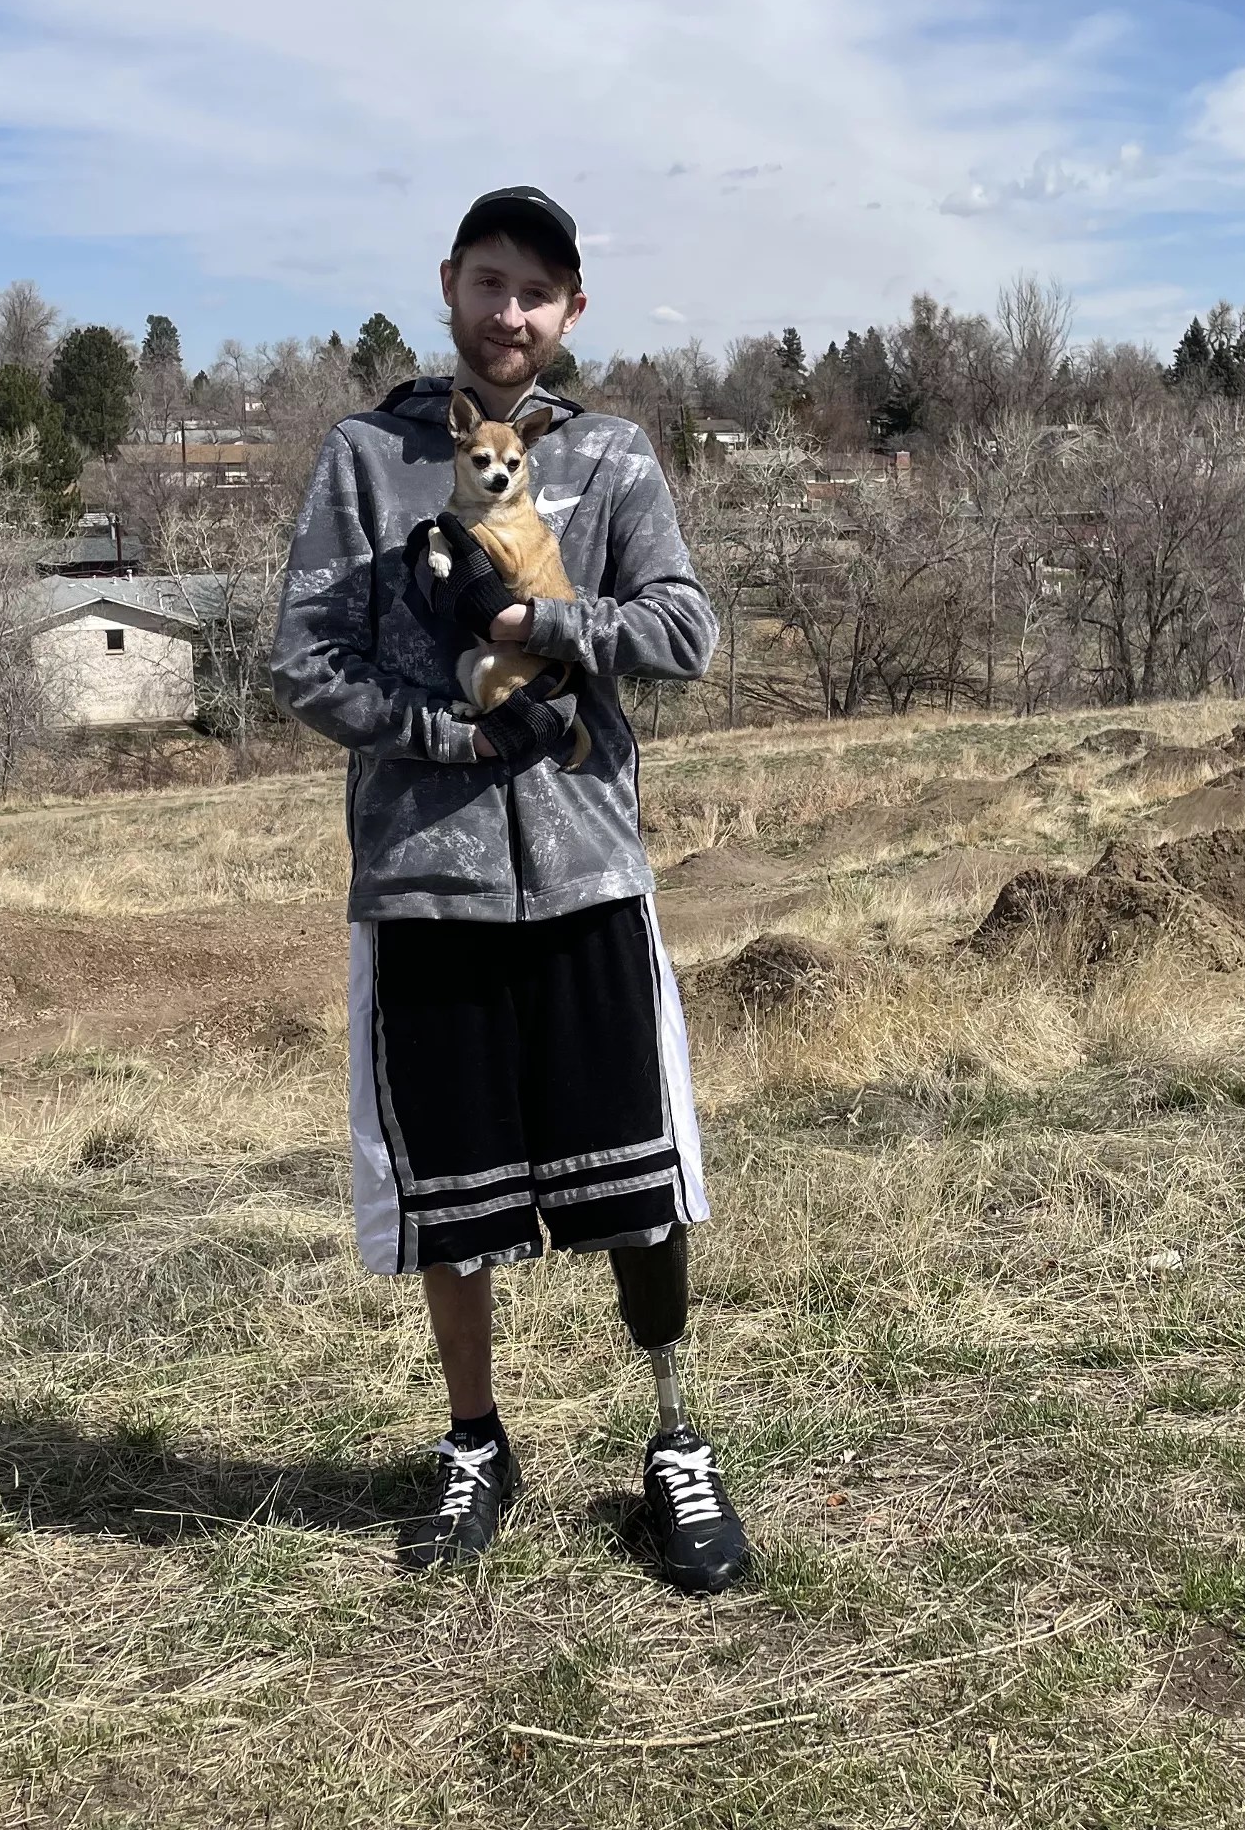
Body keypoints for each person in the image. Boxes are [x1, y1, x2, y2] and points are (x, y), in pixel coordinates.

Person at [270, 186, 747, 1594]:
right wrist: (450, 733)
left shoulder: (612, 458)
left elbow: (686, 629)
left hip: (593, 866)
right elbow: (303, 660)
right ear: (450, 286)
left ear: (572, 309)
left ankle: (674, 1445)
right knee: (458, 1197)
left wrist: (545, 624)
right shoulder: (367, 459)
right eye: (489, 282)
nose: (510, 312)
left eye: (537, 290)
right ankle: (475, 1441)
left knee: (640, 1180)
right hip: (429, 881)